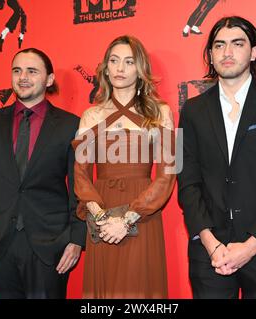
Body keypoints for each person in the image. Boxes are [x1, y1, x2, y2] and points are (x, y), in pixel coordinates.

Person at [178, 16, 256, 298]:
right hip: (210, 254)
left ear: (254, 51)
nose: (227, 52)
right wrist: (212, 245)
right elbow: (187, 182)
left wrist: (250, 247)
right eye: (219, 45)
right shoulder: (190, 111)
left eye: (238, 44)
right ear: (210, 55)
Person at [0, 48, 85, 299]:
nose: (23, 77)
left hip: (49, 245)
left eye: (32, 71)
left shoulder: (71, 125)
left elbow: (79, 187)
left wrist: (76, 239)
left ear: (49, 80)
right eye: (17, 70)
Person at [72, 35, 176, 298]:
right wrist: (101, 217)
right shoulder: (90, 115)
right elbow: (81, 176)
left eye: (129, 62)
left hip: (143, 214)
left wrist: (127, 220)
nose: (119, 68)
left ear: (140, 69)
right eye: (114, 61)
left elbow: (168, 175)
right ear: (105, 68)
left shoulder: (162, 112)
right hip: (101, 213)